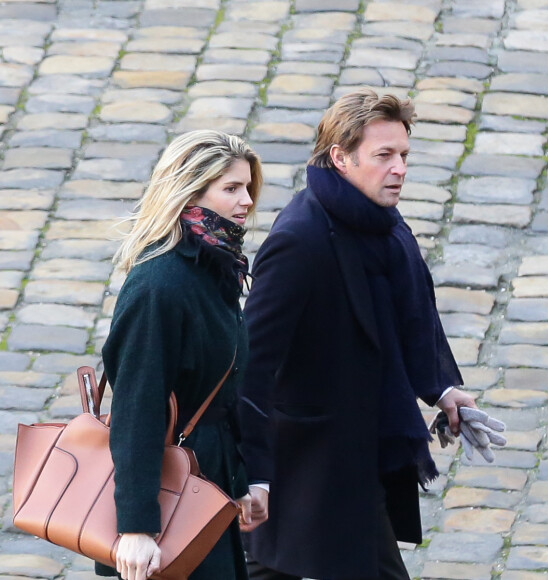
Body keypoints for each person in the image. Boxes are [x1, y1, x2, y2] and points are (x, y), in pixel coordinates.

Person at [238, 89, 478, 580]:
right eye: (384, 156)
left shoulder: (383, 224)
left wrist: (443, 388)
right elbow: (252, 365)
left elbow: (411, 316)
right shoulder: (299, 241)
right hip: (312, 463)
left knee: (271, 568)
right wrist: (254, 473)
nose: (400, 169)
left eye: (404, 155)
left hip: (360, 450)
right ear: (340, 158)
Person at [95, 130, 267, 580]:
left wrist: (242, 482)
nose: (246, 200)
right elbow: (137, 408)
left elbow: (224, 393)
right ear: (189, 192)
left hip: (206, 488)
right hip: (169, 500)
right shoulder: (160, 286)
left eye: (247, 187)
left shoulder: (214, 269)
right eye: (231, 188)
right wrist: (135, 527)